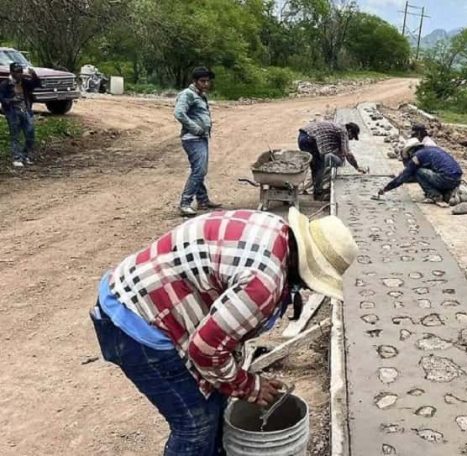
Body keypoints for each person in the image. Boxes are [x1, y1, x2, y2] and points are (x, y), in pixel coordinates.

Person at [90, 208, 359, 455]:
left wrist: (236, 381)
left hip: (149, 292)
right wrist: (249, 386)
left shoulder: (277, 230)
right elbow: (204, 351)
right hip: (138, 320)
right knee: (196, 427)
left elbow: (221, 331)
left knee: (216, 400)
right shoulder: (263, 285)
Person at [174, 67, 221, 216]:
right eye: (202, 81)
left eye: (207, 81)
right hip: (192, 138)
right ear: (195, 81)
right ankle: (185, 203)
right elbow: (179, 113)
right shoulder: (188, 94)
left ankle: (203, 200)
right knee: (200, 170)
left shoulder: (200, 95)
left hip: (201, 137)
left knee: (199, 169)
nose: (206, 84)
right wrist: (195, 128)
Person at [377, 138, 462, 203]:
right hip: (457, 179)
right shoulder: (431, 150)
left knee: (419, 172)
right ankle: (448, 192)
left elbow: (404, 176)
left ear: (410, 151)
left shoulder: (417, 156)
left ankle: (435, 195)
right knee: (422, 173)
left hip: (445, 178)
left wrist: (386, 189)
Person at [298, 120, 366, 200]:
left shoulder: (337, 128)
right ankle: (318, 194)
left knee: (314, 166)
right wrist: (357, 167)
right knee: (320, 166)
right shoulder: (343, 131)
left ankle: (307, 189)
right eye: (352, 137)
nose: (351, 139)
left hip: (302, 137)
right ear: (349, 131)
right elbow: (347, 153)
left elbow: (336, 150)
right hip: (309, 139)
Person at [0, 62, 41, 168]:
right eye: (17, 72)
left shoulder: (24, 82)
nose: (19, 74)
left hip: (26, 110)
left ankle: (25, 155)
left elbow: (36, 85)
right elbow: (2, 99)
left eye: (20, 71)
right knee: (15, 135)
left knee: (30, 133)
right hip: (13, 112)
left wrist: (34, 75)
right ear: (12, 72)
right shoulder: (5, 84)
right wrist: (11, 100)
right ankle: (17, 157)